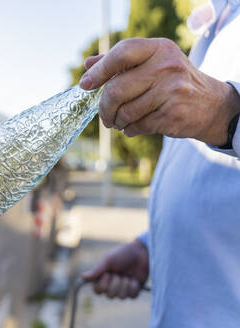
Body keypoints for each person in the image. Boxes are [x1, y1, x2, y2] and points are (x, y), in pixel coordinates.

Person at [80, 0, 240, 326]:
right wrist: (149, 249)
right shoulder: (215, 26)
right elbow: (210, 184)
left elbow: (219, 118)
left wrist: (224, 112)